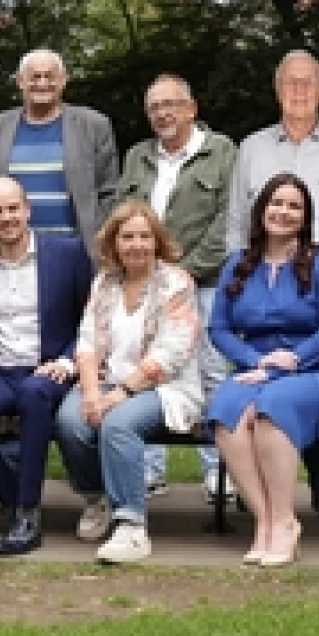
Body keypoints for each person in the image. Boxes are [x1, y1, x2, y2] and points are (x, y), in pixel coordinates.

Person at [227, 49, 319, 514]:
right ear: (277, 89)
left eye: (307, 82)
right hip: (270, 283)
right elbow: (236, 225)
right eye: (290, 82)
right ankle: (277, 494)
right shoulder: (251, 149)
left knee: (317, 370)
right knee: (276, 376)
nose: (299, 91)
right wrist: (243, 282)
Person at [207, 173, 319, 567]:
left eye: (294, 207)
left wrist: (293, 359)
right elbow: (218, 328)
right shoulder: (238, 265)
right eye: (277, 204)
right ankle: (267, 522)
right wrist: (254, 360)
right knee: (225, 413)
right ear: (262, 211)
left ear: (305, 217)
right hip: (256, 368)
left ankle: (284, 521)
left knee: (273, 407)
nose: (284, 213)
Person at [0, 177, 94, 557]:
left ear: (28, 210)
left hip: (49, 368)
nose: (6, 217)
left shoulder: (68, 253)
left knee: (33, 395)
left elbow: (93, 318)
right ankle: (17, 500)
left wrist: (67, 359)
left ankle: (26, 516)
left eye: (13, 208)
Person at [54, 200, 204, 564]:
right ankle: (96, 498)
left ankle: (132, 526)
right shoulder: (104, 283)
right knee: (71, 420)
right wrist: (91, 393)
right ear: (114, 243)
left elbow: (173, 352)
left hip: (163, 387)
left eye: (144, 236)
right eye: (127, 237)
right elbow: (87, 342)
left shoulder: (176, 283)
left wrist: (121, 393)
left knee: (118, 425)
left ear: (157, 241)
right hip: (107, 383)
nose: (136, 244)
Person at [116, 73, 238, 502]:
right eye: (154, 107)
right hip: (143, 283)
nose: (163, 113)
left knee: (209, 373)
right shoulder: (137, 157)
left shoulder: (222, 153)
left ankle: (216, 471)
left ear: (191, 108)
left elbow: (228, 224)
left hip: (202, 282)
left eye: (171, 104)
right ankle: (148, 470)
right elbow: (122, 214)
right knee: (143, 364)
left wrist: (181, 275)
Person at [0, 49, 119, 248]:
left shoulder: (94, 125)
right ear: (20, 81)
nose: (42, 83)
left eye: (50, 76)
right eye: (34, 77)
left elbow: (109, 193)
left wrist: (99, 238)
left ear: (64, 80)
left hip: (76, 252)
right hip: (10, 253)